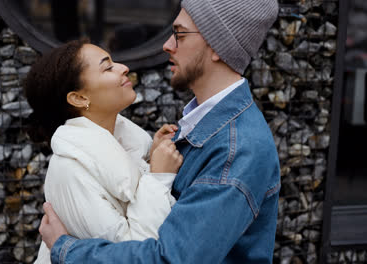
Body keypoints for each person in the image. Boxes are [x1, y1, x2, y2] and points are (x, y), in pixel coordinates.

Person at [39, 0, 281, 263]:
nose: (167, 44)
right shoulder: (202, 126)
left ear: (217, 45)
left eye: (180, 33)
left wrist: (64, 249)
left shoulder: (237, 150)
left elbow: (168, 259)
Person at [23, 39, 184, 264]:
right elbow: (135, 254)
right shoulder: (70, 171)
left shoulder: (121, 146)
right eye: (107, 67)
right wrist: (158, 178)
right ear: (79, 98)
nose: (123, 67)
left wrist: (149, 158)